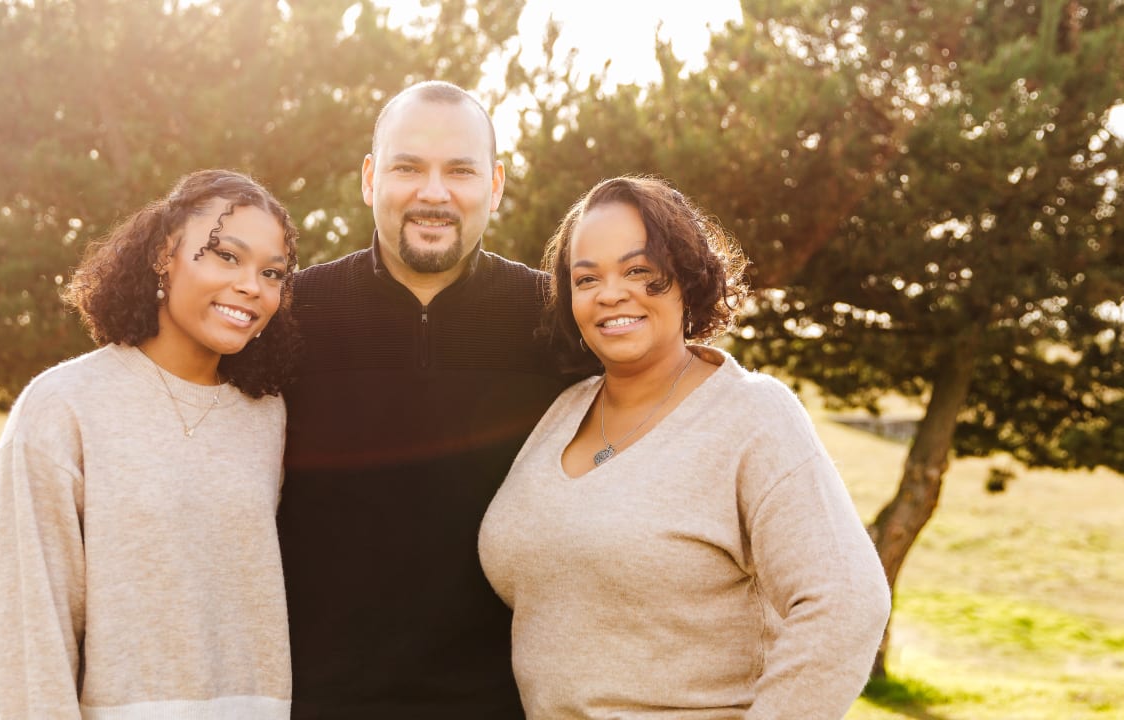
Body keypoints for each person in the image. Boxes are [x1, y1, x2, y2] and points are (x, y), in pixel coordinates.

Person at [479, 176, 892, 719]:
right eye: (587, 278)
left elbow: (847, 602)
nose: (610, 293)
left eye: (638, 271)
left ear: (686, 278)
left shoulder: (751, 415)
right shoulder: (563, 411)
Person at [277, 81, 579, 719]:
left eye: (460, 171)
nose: (433, 193)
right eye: (408, 167)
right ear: (370, 178)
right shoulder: (289, 316)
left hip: (502, 704)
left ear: (494, 186)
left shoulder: (556, 322)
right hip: (315, 702)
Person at [0, 169, 299, 719]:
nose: (253, 285)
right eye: (227, 255)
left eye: (271, 272)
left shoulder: (269, 416)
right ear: (163, 255)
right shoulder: (63, 407)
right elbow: (32, 622)